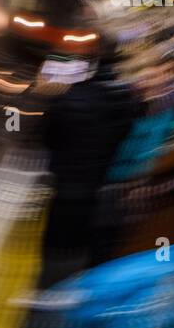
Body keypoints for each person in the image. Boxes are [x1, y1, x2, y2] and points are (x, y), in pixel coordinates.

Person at [38, 41, 140, 288]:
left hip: (67, 188)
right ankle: (82, 291)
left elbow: (47, 139)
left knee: (59, 246)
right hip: (104, 188)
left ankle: (52, 292)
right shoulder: (128, 101)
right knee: (92, 247)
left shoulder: (66, 100)